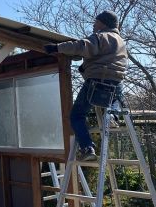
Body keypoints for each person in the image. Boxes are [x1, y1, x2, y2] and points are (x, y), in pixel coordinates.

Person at [44, 10, 127, 160]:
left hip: (97, 80)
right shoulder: (120, 41)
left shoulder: (102, 36)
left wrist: (57, 48)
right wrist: (85, 68)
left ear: (104, 23)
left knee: (76, 116)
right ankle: (114, 117)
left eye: (96, 21)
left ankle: (87, 148)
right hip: (116, 81)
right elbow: (104, 58)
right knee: (115, 101)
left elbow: (82, 45)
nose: (94, 25)